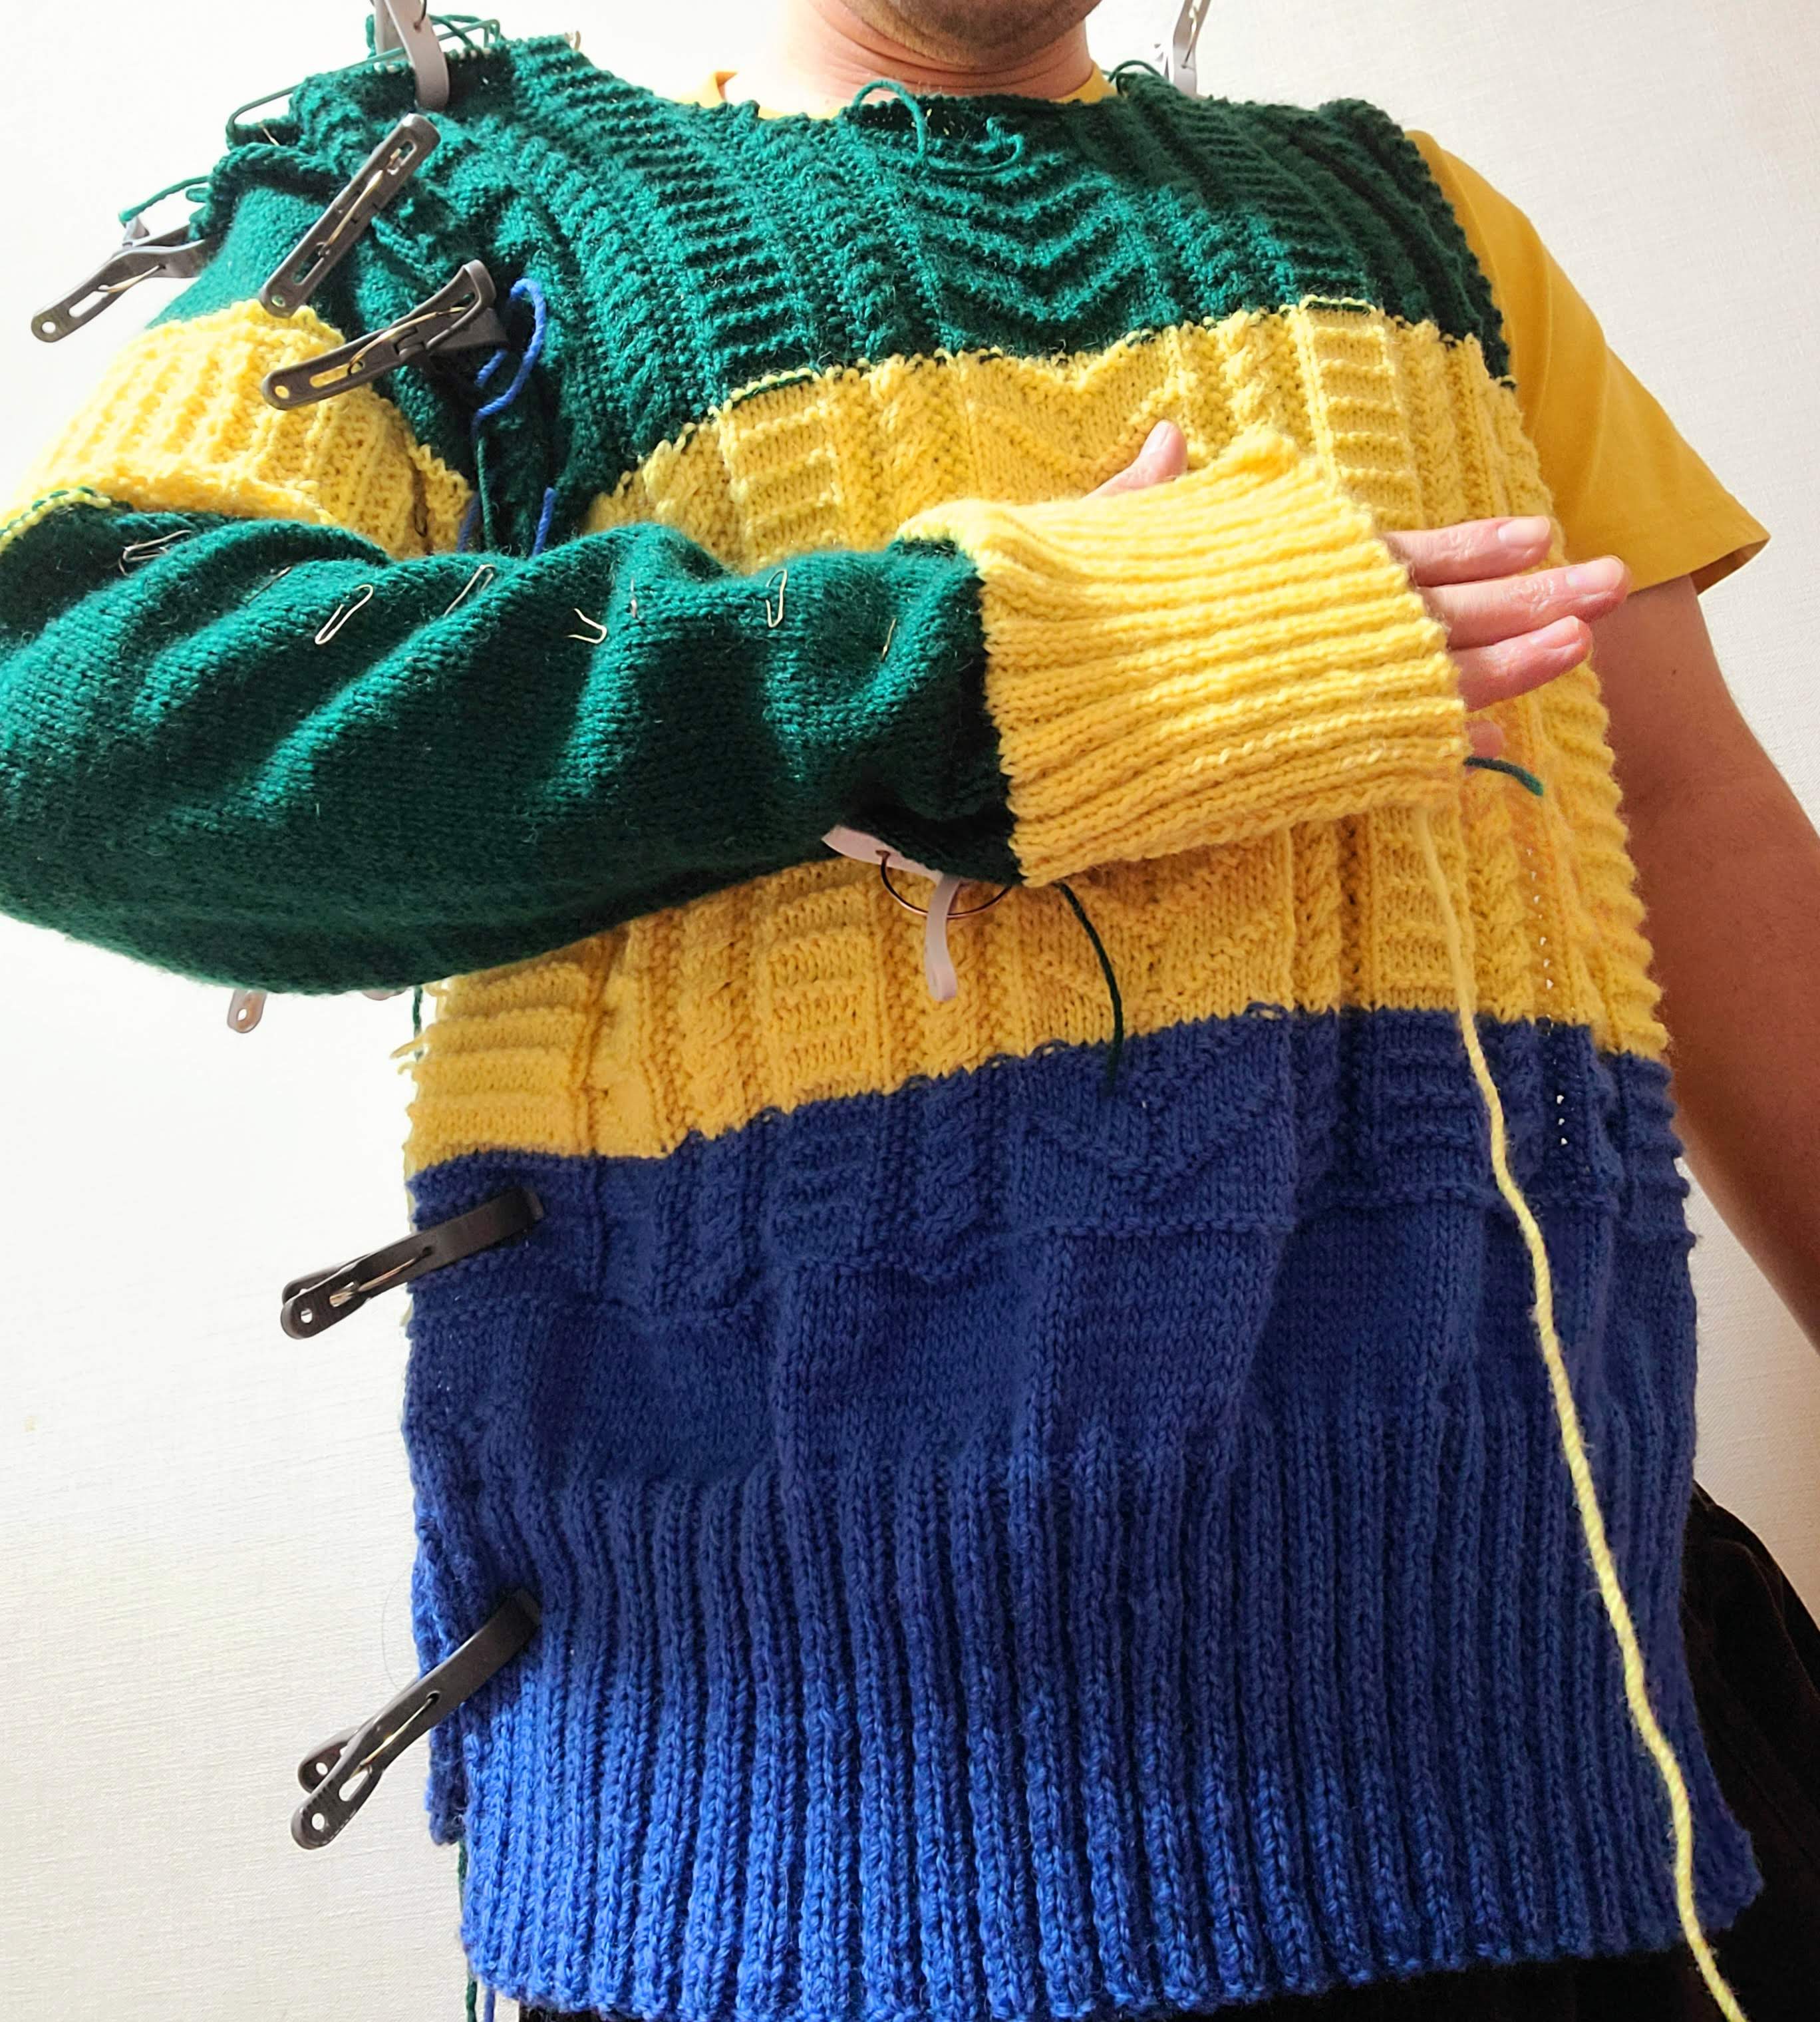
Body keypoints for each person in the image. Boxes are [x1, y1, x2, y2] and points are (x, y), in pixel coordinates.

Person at [1, 1, 1815, 2016]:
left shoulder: (1425, 229)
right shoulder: (444, 208)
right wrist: (965, 673)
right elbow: (76, 724)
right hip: (787, 1847)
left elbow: (1689, 821)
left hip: (1553, 1771)